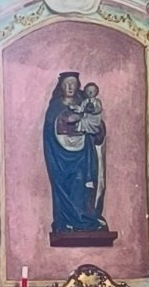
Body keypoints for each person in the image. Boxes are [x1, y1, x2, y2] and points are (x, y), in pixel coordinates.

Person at [43, 72, 109, 234]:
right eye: (66, 84)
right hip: (61, 158)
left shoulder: (85, 103)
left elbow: (97, 128)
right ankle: (67, 222)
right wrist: (66, 120)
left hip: (83, 156)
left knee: (83, 185)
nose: (70, 87)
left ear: (78, 85)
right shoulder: (55, 106)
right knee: (65, 186)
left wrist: (98, 129)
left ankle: (86, 220)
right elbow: (50, 131)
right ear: (61, 87)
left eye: (73, 83)